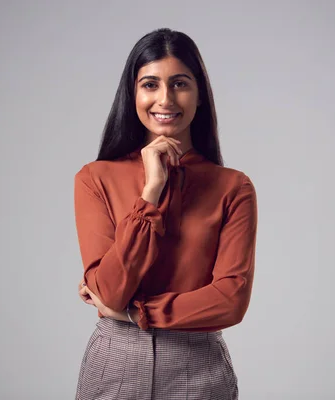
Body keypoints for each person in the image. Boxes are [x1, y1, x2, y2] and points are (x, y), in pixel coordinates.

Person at [73, 27, 258, 400]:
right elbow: (109, 289)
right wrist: (150, 191)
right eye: (150, 84)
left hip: (199, 366)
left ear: (199, 94)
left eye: (179, 84)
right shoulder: (95, 178)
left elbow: (230, 299)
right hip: (115, 363)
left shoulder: (233, 188)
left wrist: (136, 312)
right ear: (133, 93)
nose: (165, 98)